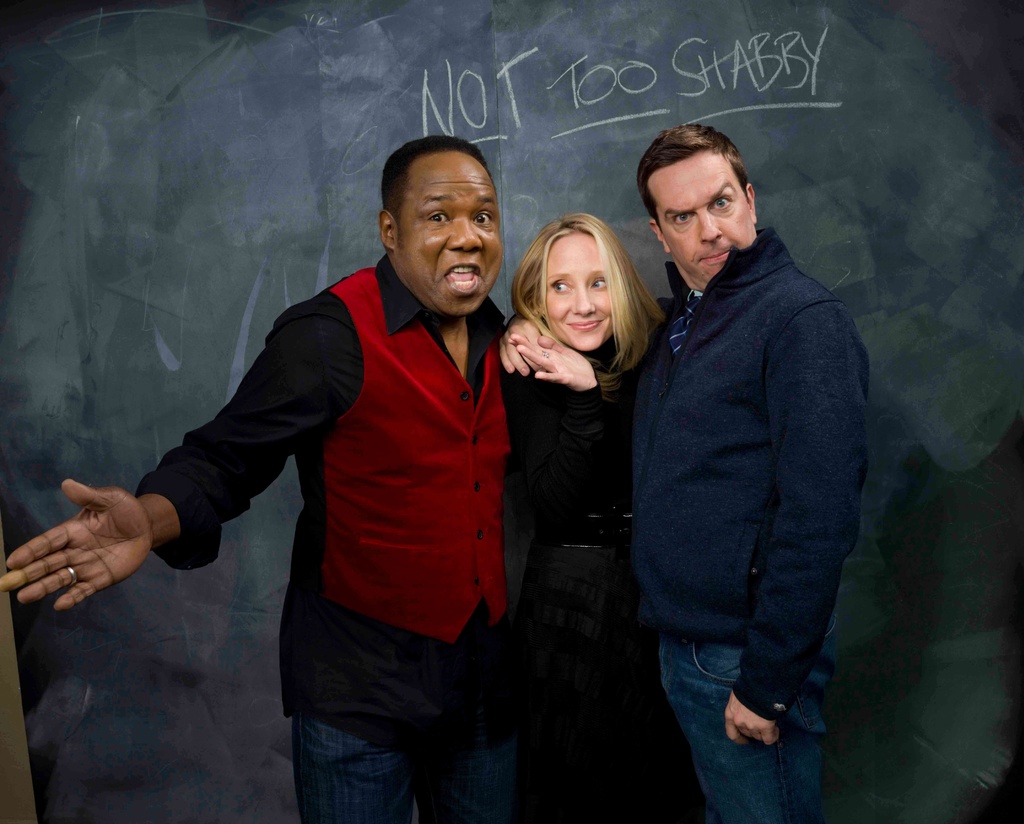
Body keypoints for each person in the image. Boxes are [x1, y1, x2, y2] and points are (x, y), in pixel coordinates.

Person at [1, 135, 519, 824]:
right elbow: (224, 459)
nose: (467, 237)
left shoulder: (509, 336)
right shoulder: (325, 338)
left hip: (482, 692)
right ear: (389, 231)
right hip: (358, 697)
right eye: (439, 217)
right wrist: (148, 520)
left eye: (483, 217)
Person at [502, 124, 868, 823]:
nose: (711, 230)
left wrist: (767, 684)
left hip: (745, 659)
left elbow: (819, 518)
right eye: (683, 216)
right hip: (682, 649)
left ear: (751, 200)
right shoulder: (682, 325)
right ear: (659, 233)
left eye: (722, 202)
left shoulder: (800, 320)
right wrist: (525, 328)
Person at [501, 213, 698, 823]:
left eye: (597, 282)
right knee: (573, 787)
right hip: (571, 594)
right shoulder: (529, 367)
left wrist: (600, 388)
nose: (581, 305)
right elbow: (554, 509)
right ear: (535, 298)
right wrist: (584, 397)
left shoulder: (657, 349)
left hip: (652, 589)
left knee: (658, 783)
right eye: (559, 287)